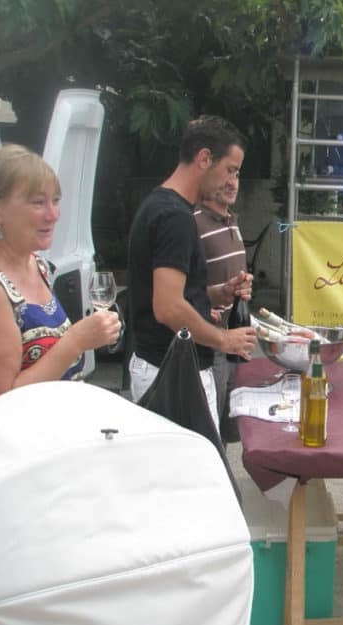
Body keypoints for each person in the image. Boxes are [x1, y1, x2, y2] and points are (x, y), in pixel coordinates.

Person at [0, 145, 121, 415]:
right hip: (7, 454)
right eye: (38, 202)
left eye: (56, 200)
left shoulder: (36, 265)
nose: (53, 214)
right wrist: (75, 342)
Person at [127, 115, 256, 429]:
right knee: (199, 475)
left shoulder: (160, 205)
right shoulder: (176, 218)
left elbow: (172, 293)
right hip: (174, 373)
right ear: (204, 159)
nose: (231, 181)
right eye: (230, 170)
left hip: (161, 367)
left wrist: (218, 293)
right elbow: (168, 308)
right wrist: (224, 340)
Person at [193, 134, 253, 442]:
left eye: (237, 174)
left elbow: (225, 277)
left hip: (235, 336)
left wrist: (241, 286)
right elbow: (187, 292)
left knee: (231, 426)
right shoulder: (193, 223)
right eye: (228, 172)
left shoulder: (230, 220)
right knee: (210, 427)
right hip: (209, 342)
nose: (233, 182)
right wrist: (214, 297)